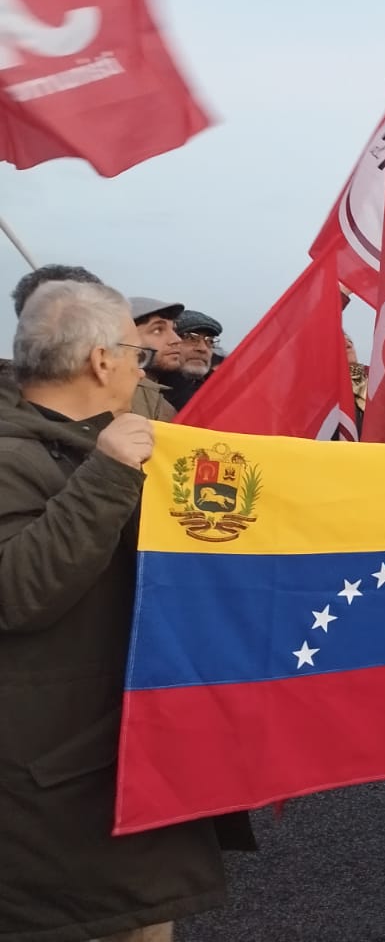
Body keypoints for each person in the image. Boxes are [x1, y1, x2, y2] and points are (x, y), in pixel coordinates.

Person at [0, 280, 226, 941]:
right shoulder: (18, 455)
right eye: (136, 350)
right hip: (53, 799)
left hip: (109, 773)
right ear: (102, 361)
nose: (142, 365)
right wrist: (107, 475)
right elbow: (18, 589)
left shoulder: (107, 445)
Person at [5, 268, 175, 422]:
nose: (139, 372)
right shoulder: (15, 450)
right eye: (137, 355)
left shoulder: (150, 401)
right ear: (101, 361)